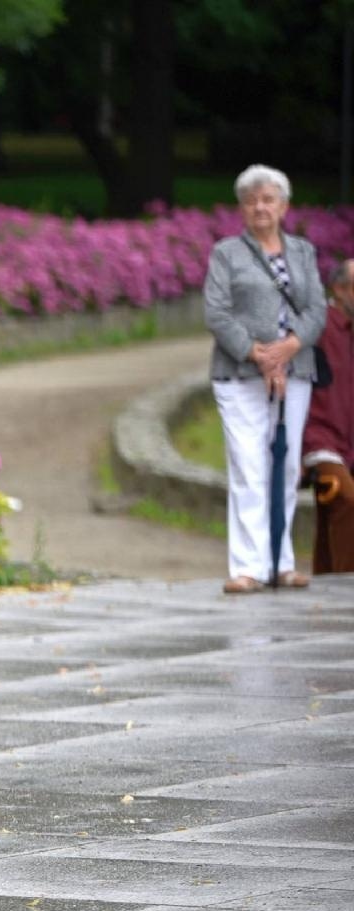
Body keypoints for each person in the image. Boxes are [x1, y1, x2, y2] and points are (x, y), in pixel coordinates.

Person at [203, 164, 327, 593]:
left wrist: (288, 348)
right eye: (252, 200)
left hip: (296, 371)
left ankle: (282, 562)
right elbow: (216, 312)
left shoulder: (303, 252)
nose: (260, 207)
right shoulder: (226, 254)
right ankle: (248, 567)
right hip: (239, 374)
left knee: (287, 467)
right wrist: (259, 354)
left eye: (269, 199)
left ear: (284, 207)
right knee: (248, 466)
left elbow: (317, 310)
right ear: (241, 208)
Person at [304, 259, 354, 573]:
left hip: (348, 442)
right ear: (339, 289)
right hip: (319, 440)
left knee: (329, 518)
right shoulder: (318, 327)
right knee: (348, 502)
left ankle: (325, 582)